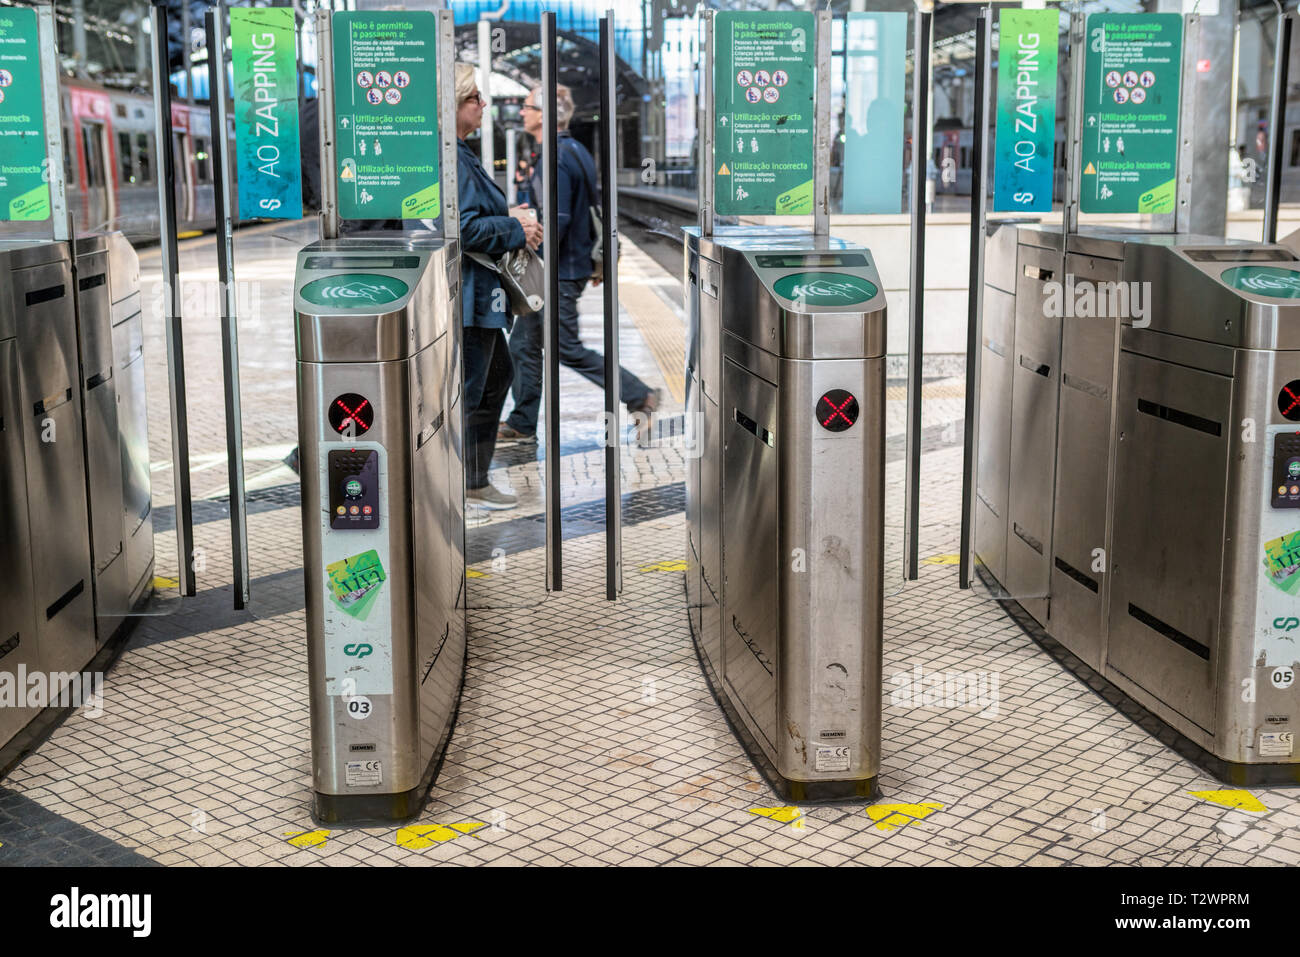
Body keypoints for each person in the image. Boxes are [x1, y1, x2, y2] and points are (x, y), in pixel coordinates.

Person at [498, 83, 660, 442]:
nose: (521, 113)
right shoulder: (575, 149)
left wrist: (530, 257)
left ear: (545, 115)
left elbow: (560, 217)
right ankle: (522, 422)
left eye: (527, 107)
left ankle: (639, 394)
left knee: (565, 347)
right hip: (563, 267)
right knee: (523, 344)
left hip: (555, 270)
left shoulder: (556, 155)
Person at [455, 62, 543, 508]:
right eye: (474, 99)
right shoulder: (450, 156)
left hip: (479, 297)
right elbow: (464, 229)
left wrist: (512, 217)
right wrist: (515, 227)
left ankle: (472, 479)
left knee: (493, 378)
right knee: (474, 389)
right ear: (452, 104)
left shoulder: (459, 153)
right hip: (470, 297)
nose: (483, 105)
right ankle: (465, 482)